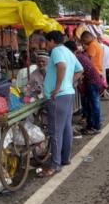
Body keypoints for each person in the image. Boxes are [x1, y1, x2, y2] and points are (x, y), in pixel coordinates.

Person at [38, 31, 83, 177]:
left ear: (52, 41)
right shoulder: (68, 52)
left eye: (47, 42)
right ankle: (65, 158)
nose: (47, 46)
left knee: (55, 131)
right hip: (68, 93)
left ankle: (55, 164)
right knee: (65, 128)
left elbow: (62, 67)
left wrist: (57, 87)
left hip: (59, 95)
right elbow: (79, 70)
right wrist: (68, 83)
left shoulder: (57, 51)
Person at [65, 41, 104, 135]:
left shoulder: (76, 57)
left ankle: (95, 126)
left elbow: (78, 71)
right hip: (92, 82)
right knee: (91, 105)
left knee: (93, 105)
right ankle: (92, 125)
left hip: (92, 82)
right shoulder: (80, 56)